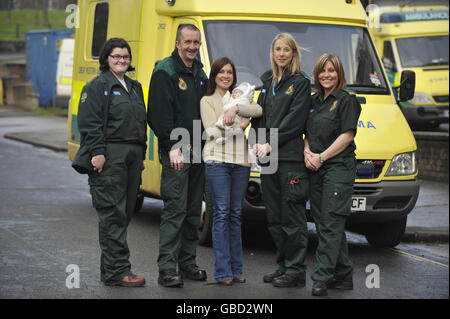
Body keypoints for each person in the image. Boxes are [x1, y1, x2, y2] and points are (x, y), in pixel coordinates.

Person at [77, 38, 147, 287]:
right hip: (110, 155)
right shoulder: (96, 86)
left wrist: (141, 154)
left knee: (125, 212)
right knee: (112, 214)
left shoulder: (135, 86)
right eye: (116, 56)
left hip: (132, 156)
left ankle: (111, 270)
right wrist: (97, 152)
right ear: (106, 59)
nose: (121, 60)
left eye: (125, 56)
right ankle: (119, 271)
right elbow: (89, 122)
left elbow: (140, 122)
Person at [147, 24, 208, 288]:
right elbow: (158, 115)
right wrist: (173, 146)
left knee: (193, 210)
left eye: (196, 42)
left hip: (199, 150)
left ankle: (187, 262)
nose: (192, 47)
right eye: (188, 42)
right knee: (175, 209)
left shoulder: (200, 72)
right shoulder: (166, 71)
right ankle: (167, 268)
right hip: (177, 150)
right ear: (177, 43)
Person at [251, 33, 311, 288]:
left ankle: (296, 270)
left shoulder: (300, 83)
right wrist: (253, 136)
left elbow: (293, 123)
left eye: (287, 49)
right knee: (274, 218)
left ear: (294, 53)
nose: (282, 54)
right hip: (268, 159)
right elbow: (260, 115)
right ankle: (283, 265)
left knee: (292, 217)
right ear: (272, 52)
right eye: (278, 49)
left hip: (289, 160)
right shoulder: (267, 81)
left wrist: (269, 143)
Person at [200, 57, 262, 285]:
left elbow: (257, 109)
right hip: (217, 161)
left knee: (236, 215)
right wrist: (239, 126)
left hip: (241, 163)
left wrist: (235, 108)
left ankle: (237, 270)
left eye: (229, 72)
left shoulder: (240, 97)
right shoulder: (207, 100)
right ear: (214, 75)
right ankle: (222, 271)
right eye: (221, 72)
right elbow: (211, 134)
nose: (225, 76)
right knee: (222, 213)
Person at [304, 53, 361, 296]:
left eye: (332, 70)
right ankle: (344, 274)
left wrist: (321, 157)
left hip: (337, 168)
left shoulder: (347, 100)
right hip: (316, 167)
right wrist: (307, 151)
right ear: (317, 75)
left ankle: (321, 277)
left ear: (339, 74)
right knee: (325, 223)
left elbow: (347, 135)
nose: (326, 75)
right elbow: (306, 132)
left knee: (330, 223)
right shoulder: (314, 101)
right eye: (322, 71)